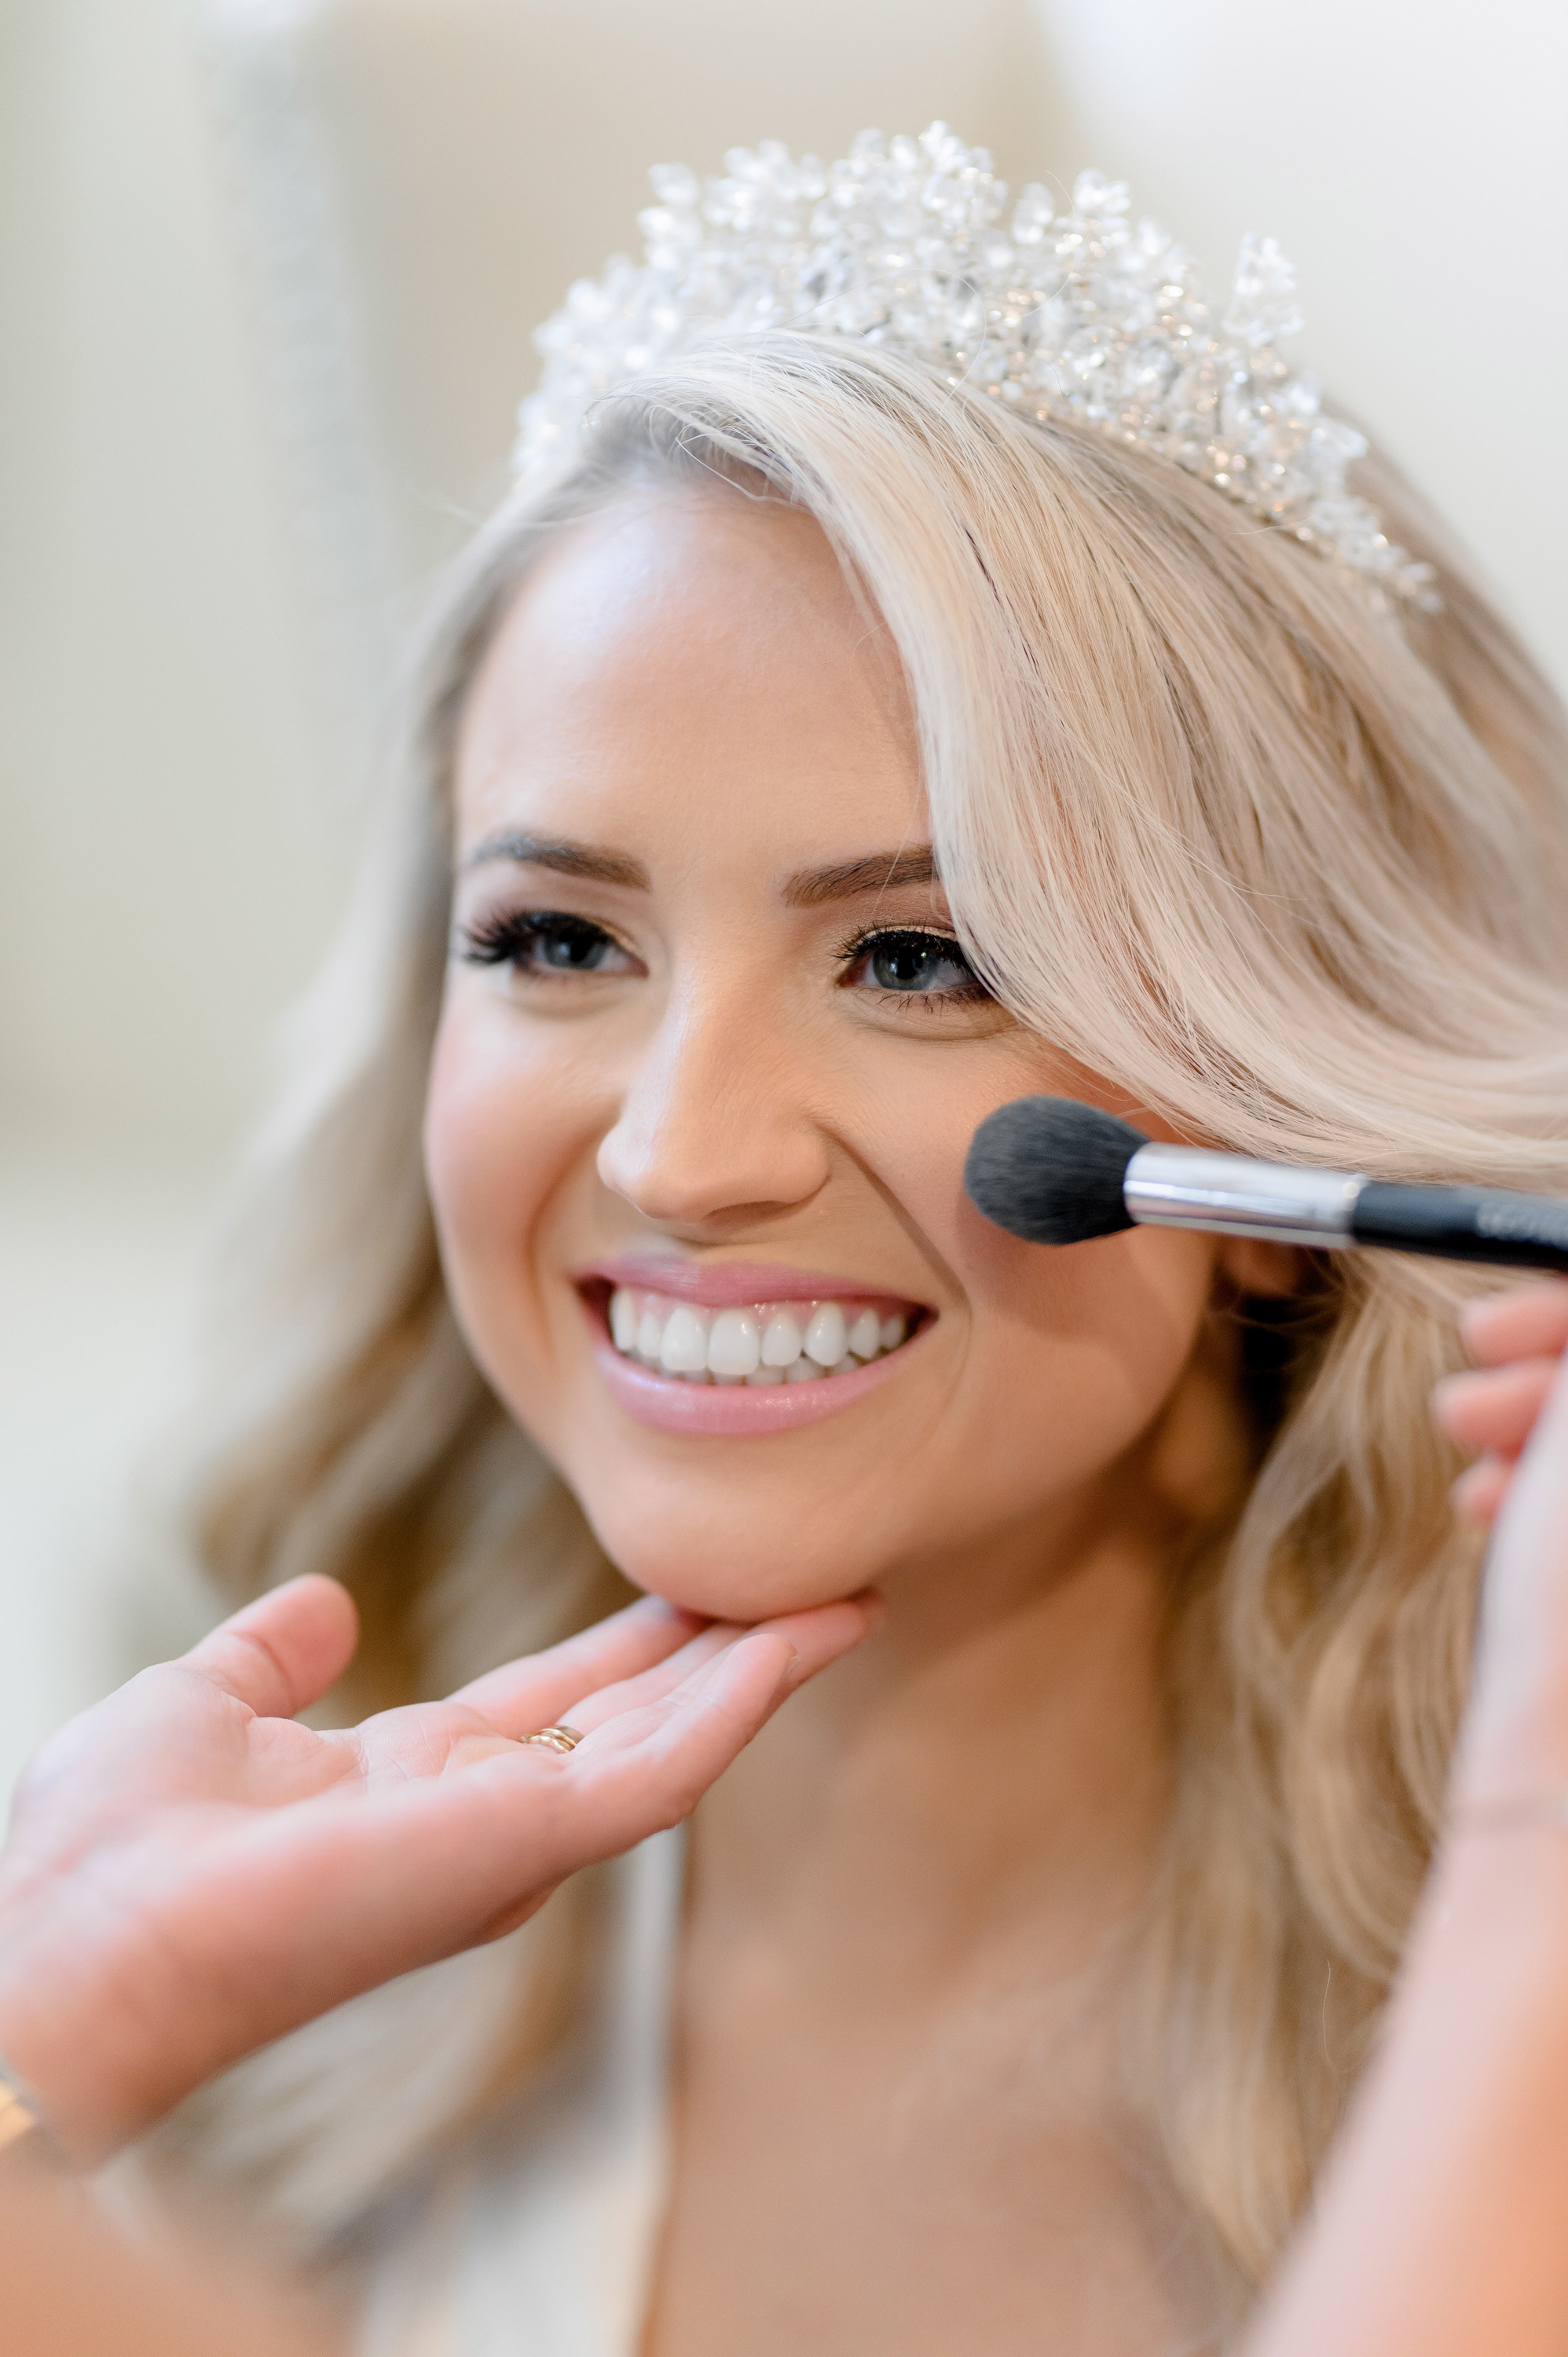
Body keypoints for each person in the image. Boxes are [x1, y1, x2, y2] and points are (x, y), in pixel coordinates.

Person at [4, 125, 1567, 2355]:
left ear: (1279, 1139)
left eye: (918, 959)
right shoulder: (222, 2023)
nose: (680, 1152)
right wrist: (60, 2009)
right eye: (558, 938)